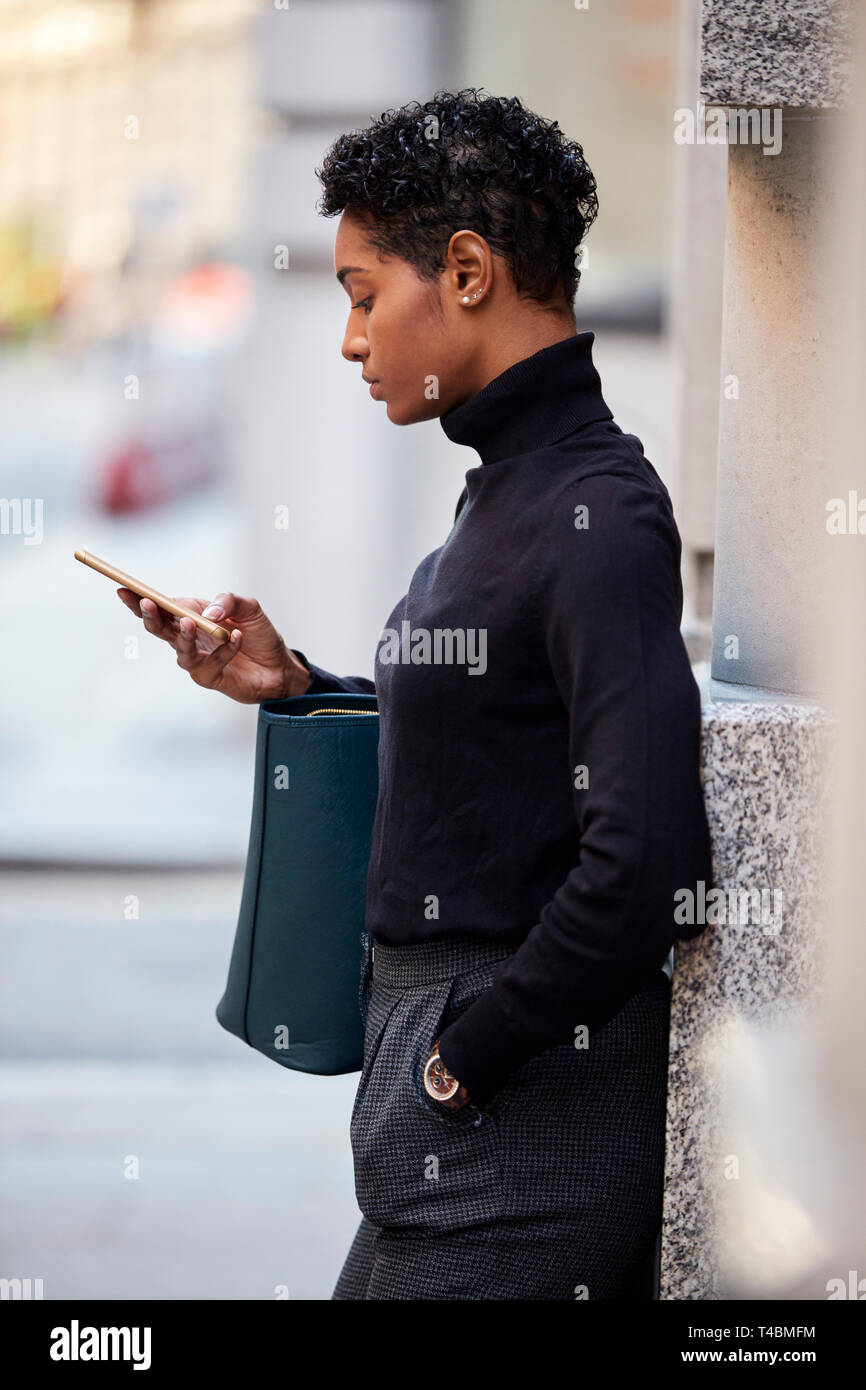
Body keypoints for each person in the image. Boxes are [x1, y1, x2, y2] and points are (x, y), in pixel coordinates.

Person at [118, 88, 713, 1301]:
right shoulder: (505, 484)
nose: (349, 338)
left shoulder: (595, 512)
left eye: (359, 293)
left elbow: (646, 854)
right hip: (458, 1131)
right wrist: (294, 685)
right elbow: (501, 758)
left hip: (519, 1142)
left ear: (465, 269)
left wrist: (460, 1060)